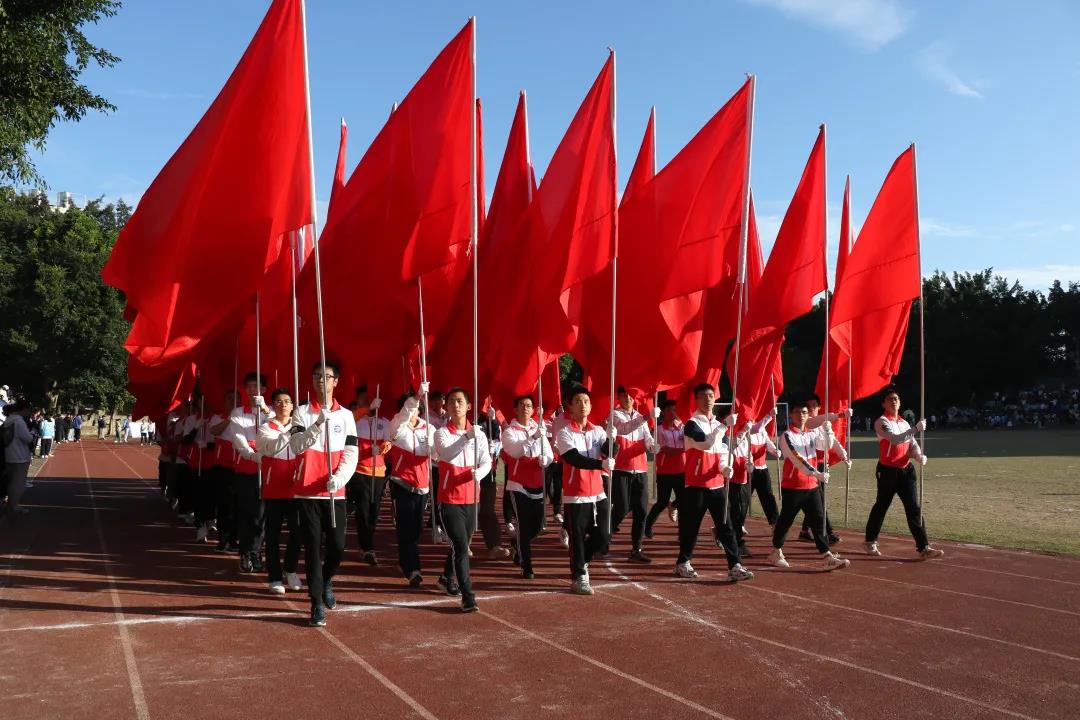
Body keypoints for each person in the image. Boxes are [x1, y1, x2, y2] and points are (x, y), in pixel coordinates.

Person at [290, 361, 358, 627]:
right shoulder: (301, 412)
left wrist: (339, 478)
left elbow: (351, 453)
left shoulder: (347, 416)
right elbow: (297, 446)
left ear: (336, 381)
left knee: (338, 546)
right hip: (307, 493)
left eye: (327, 376)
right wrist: (318, 424)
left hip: (333, 492)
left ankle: (327, 579)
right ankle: (316, 602)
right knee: (312, 548)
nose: (321, 380)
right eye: (317, 375)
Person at [676, 383, 754, 582]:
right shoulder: (691, 424)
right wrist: (724, 425)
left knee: (726, 527)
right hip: (696, 485)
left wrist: (725, 467)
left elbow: (723, 452)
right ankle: (683, 562)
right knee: (691, 527)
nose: (708, 400)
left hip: (717, 484)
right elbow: (706, 443)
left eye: (711, 396)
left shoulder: (718, 426)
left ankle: (735, 565)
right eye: (703, 396)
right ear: (697, 400)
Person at [864, 389, 945, 560]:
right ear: (884, 404)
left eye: (896, 398)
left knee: (914, 508)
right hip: (887, 470)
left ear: (900, 402)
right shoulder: (881, 422)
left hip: (906, 470)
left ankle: (924, 547)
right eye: (890, 399)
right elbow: (894, 439)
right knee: (882, 506)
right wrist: (916, 428)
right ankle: (870, 540)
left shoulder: (904, 423)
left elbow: (912, 443)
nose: (893, 401)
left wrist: (918, 455)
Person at [769, 403, 850, 571]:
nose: (801, 415)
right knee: (786, 521)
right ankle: (776, 551)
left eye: (804, 412)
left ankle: (826, 554)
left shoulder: (812, 433)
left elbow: (825, 445)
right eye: (797, 412)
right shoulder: (787, 436)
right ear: (791, 415)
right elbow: (796, 457)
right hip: (794, 486)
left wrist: (828, 431)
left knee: (819, 520)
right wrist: (816, 473)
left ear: (808, 415)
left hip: (811, 486)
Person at [433, 387, 491, 613]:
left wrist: (480, 473)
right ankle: (468, 595)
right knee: (460, 545)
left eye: (460, 401)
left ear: (468, 406)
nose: (455, 405)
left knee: (462, 544)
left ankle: (446, 577)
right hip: (449, 498)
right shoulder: (441, 433)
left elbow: (486, 460)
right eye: (451, 402)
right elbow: (447, 454)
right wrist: (467, 437)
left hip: (472, 497)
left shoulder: (479, 434)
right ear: (446, 407)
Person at [555, 384, 615, 595]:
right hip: (576, 494)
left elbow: (609, 453)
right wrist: (600, 464)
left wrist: (612, 439)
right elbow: (574, 458)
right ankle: (578, 576)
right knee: (577, 537)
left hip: (598, 492)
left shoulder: (597, 431)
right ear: (570, 407)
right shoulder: (564, 433)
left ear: (590, 406)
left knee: (604, 537)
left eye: (586, 401)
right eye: (578, 401)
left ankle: (584, 561)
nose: (582, 405)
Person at [500, 395, 554, 579]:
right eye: (522, 405)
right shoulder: (509, 431)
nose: (525, 408)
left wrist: (545, 460)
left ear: (533, 410)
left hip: (537, 481)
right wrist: (534, 437)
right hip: (518, 484)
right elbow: (516, 452)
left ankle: (518, 544)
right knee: (523, 525)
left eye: (529, 405)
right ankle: (526, 565)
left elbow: (549, 454)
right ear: (515, 409)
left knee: (537, 526)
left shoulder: (538, 428)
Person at [256, 388, 304, 595]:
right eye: (278, 401)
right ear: (273, 406)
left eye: (287, 401)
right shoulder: (265, 428)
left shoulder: (301, 426)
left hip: (296, 487)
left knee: (298, 532)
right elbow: (270, 448)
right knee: (272, 534)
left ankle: (290, 569)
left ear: (293, 405)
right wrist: (289, 433)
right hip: (274, 488)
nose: (283, 404)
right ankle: (274, 576)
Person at [386, 390, 433, 587]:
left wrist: (433, 449)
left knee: (416, 529)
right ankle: (413, 570)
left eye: (416, 408)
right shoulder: (396, 426)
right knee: (406, 528)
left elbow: (436, 454)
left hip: (422, 487)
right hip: (401, 483)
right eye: (409, 408)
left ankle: (403, 560)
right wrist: (414, 399)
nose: (413, 411)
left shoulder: (428, 427)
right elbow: (401, 421)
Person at [609, 386, 658, 563]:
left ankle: (636, 549)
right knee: (621, 508)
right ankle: (605, 532)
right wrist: (646, 417)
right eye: (624, 396)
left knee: (641, 510)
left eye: (630, 396)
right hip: (622, 468)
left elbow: (647, 437)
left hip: (641, 469)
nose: (628, 399)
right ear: (619, 397)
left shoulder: (639, 417)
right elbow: (624, 429)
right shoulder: (614, 415)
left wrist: (652, 445)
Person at [228, 373, 268, 574]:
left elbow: (279, 431)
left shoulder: (271, 412)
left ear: (264, 390)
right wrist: (252, 454)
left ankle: (256, 551)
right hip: (246, 469)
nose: (253, 390)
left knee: (262, 515)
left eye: (257, 386)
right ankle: (245, 551)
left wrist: (266, 410)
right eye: (250, 386)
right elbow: (239, 439)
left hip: (267, 471)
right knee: (246, 512)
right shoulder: (238, 413)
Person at [799, 396, 850, 544]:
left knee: (815, 499)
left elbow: (833, 441)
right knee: (820, 500)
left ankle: (805, 530)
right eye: (809, 406)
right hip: (811, 466)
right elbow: (818, 421)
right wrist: (839, 415)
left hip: (823, 465)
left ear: (819, 407)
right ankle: (828, 531)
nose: (812, 408)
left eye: (814, 405)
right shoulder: (807, 422)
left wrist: (844, 456)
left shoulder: (823, 423)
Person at [352, 388, 391, 567]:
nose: (367, 401)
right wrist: (367, 409)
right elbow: (352, 418)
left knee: (374, 512)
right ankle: (367, 547)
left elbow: (389, 441)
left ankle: (366, 542)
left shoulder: (384, 422)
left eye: (369, 399)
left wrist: (382, 448)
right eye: (363, 399)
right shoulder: (355, 419)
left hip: (379, 472)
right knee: (363, 510)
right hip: (360, 471)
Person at [644, 399, 684, 539]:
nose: (674, 413)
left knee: (684, 501)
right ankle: (647, 526)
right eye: (671, 410)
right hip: (665, 472)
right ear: (665, 412)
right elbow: (666, 450)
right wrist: (686, 449)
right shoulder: (659, 430)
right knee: (662, 502)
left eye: (675, 410)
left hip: (681, 470)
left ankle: (682, 533)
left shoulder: (682, 428)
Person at [477, 406, 511, 560]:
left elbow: (498, 441)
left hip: (487, 472)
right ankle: (462, 545)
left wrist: (493, 420)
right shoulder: (464, 419)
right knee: (468, 512)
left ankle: (495, 545)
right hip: (464, 473)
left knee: (487, 509)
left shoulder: (491, 420)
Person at [209, 392, 239, 553]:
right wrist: (229, 419)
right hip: (222, 467)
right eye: (230, 398)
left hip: (240, 465)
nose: (233, 401)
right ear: (225, 402)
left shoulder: (244, 417)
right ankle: (223, 539)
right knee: (224, 504)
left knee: (238, 505)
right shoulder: (217, 417)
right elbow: (214, 431)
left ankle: (234, 540)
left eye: (236, 399)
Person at [2, 399, 35, 516]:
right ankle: (13, 506)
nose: (29, 413)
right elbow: (27, 438)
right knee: (18, 483)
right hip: (20, 456)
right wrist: (32, 433)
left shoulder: (8, 421)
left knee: (12, 482)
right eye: (28, 410)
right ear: (24, 410)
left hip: (10, 455)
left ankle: (11, 505)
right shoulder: (19, 422)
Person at [748, 411, 781, 527]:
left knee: (768, 496)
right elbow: (756, 428)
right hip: (748, 470)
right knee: (743, 499)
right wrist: (770, 415)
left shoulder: (762, 429)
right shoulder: (746, 428)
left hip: (762, 468)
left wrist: (775, 450)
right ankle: (735, 524)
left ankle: (775, 523)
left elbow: (767, 442)